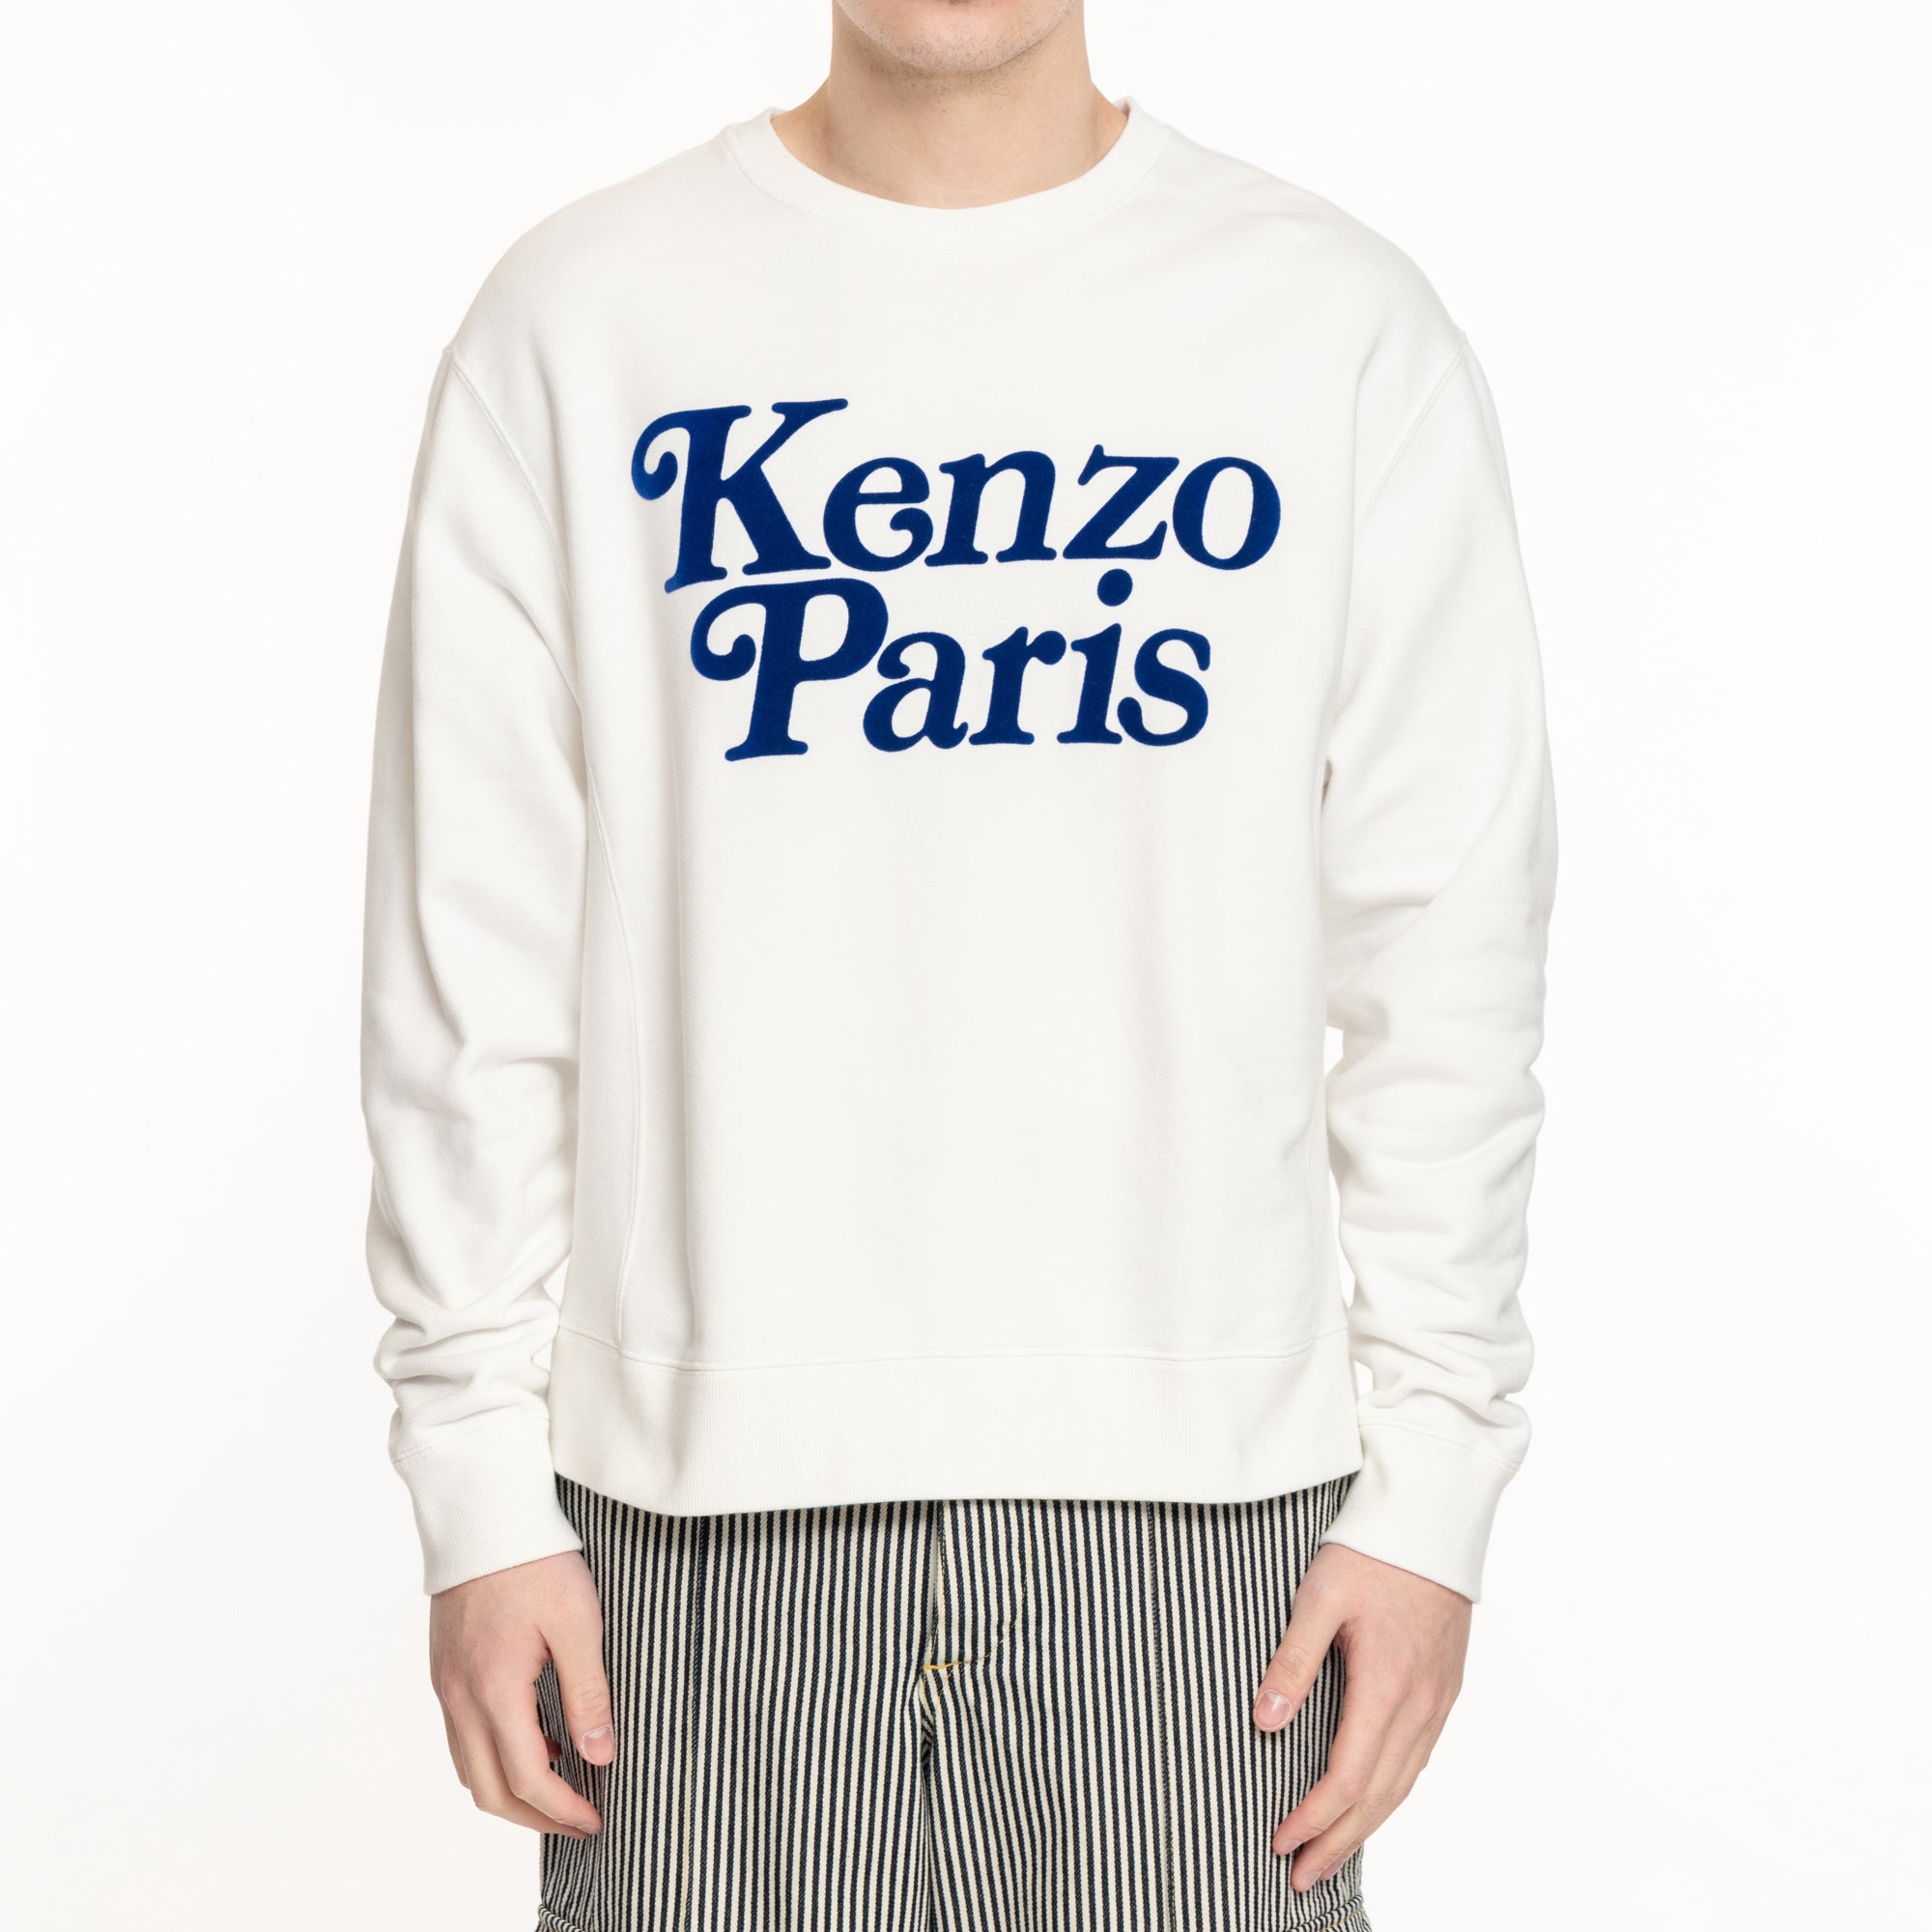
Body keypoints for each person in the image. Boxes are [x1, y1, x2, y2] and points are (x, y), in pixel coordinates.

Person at [358, 2, 1556, 1925]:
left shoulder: (1331, 329)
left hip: (1202, 1523)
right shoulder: (580, 323)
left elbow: (1446, 951)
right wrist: (477, 1481)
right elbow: (468, 959)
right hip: (693, 1518)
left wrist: (1432, 1487)